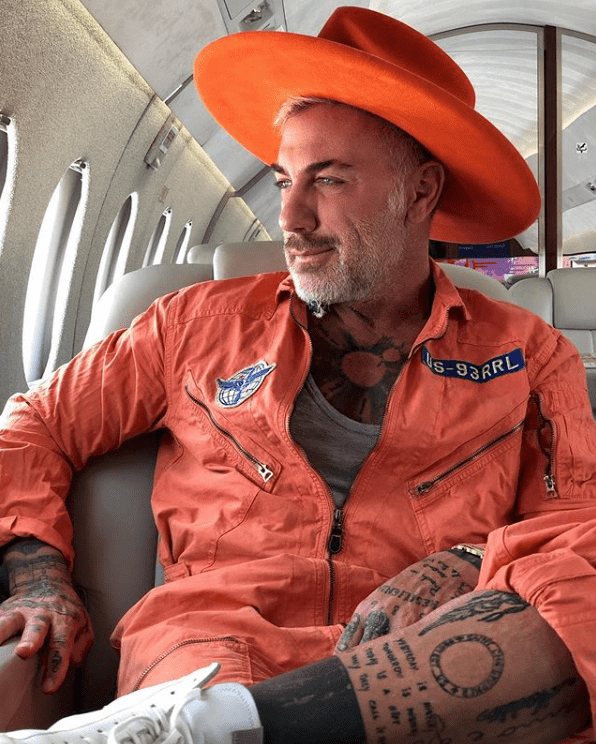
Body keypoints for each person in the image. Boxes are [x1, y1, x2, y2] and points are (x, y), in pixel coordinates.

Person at [0, 6, 595, 744]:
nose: (290, 216)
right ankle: (209, 722)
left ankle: (223, 729)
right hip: (214, 646)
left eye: (329, 180)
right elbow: (33, 424)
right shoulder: (191, 325)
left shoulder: (530, 353)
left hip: (421, 657)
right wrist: (36, 572)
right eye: (284, 180)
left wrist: (469, 561)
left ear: (420, 193)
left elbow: (574, 526)